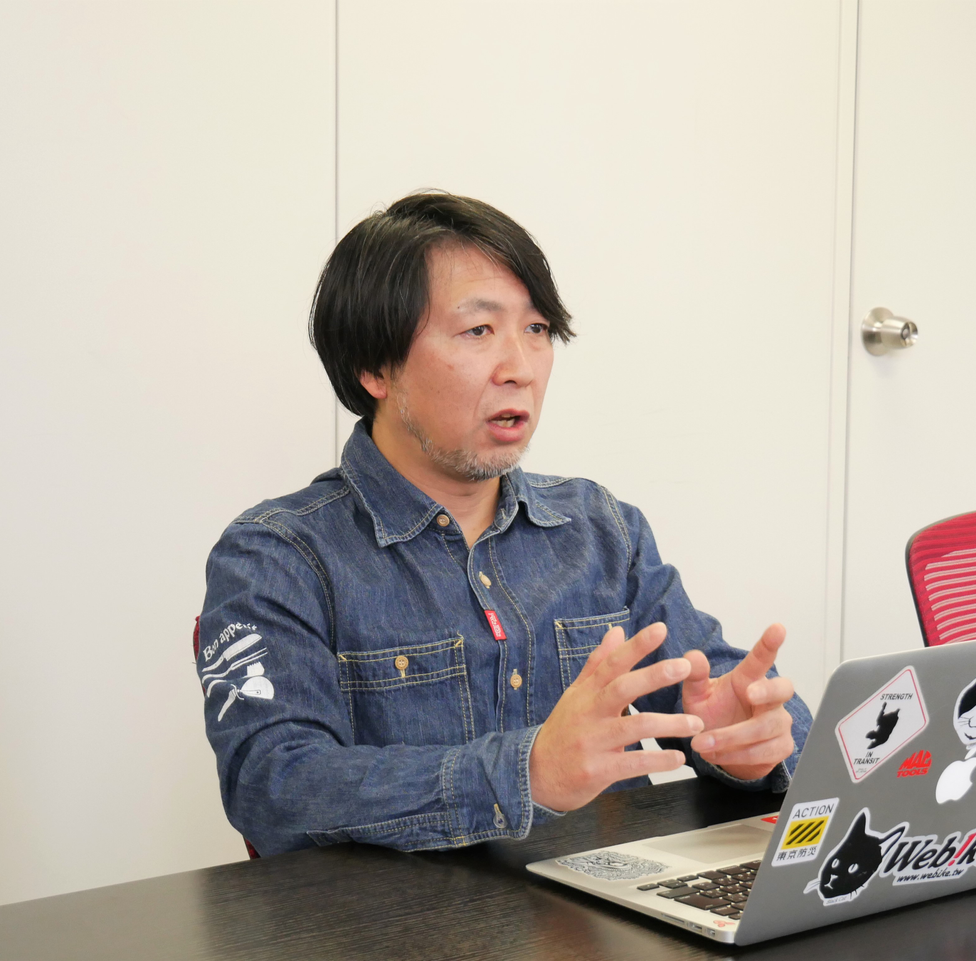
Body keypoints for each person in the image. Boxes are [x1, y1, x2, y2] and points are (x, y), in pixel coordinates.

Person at [198, 192, 812, 855]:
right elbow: (274, 786)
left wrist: (745, 746)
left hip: (610, 902)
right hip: (405, 913)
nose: (519, 368)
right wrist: (526, 772)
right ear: (375, 367)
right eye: (478, 331)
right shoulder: (278, 555)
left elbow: (725, 694)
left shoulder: (600, 528)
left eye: (537, 329)